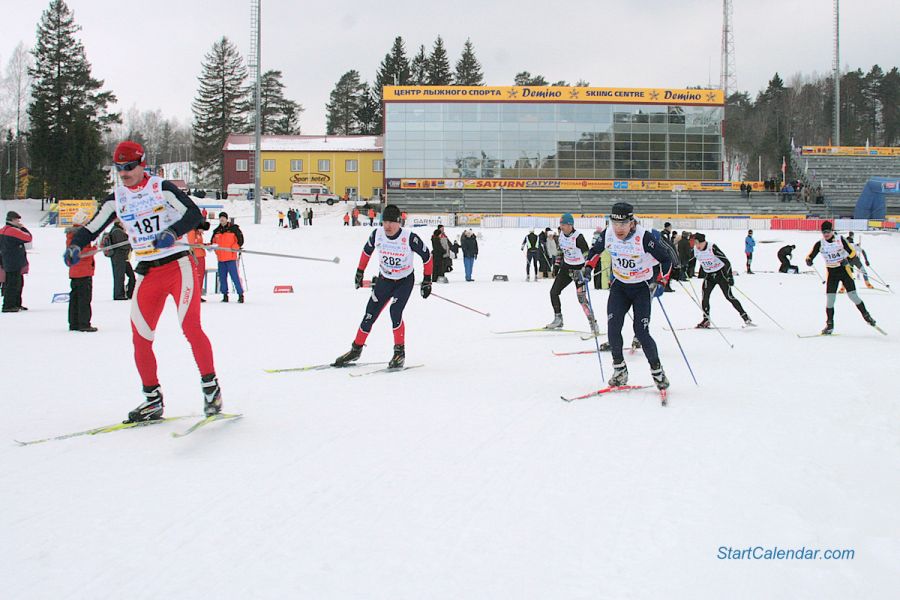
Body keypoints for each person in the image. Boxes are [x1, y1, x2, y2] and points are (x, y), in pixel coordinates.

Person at [65, 140, 222, 421]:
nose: (124, 173)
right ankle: (152, 399)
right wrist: (76, 245)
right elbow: (92, 226)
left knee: (190, 327)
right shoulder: (117, 198)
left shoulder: (160, 188)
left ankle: (211, 390)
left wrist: (172, 232)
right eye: (119, 168)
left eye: (129, 167)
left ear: (142, 164)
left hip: (178, 266)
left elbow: (193, 214)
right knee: (141, 337)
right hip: (147, 272)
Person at [583, 202, 672, 390]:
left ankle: (657, 371)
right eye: (615, 224)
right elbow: (594, 252)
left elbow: (666, 259)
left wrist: (661, 280)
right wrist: (588, 268)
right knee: (613, 328)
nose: (618, 229)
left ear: (631, 222)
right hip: (619, 287)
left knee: (641, 331)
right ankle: (620, 370)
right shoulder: (608, 234)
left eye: (622, 224)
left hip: (641, 288)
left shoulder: (644, 237)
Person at [332, 204, 432, 369]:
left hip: (404, 281)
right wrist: (359, 272)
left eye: (391, 222)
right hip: (384, 280)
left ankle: (399, 352)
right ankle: (356, 349)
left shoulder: (409, 237)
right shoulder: (377, 234)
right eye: (385, 221)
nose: (387, 226)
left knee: (395, 312)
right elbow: (366, 252)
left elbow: (427, 257)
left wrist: (427, 280)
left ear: (399, 222)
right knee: (369, 314)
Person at [805, 221, 878, 335]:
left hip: (844, 271)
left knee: (853, 296)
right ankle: (829, 325)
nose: (826, 234)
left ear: (832, 231)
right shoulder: (820, 244)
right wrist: (809, 260)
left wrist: (847, 260)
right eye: (823, 232)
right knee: (830, 300)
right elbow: (810, 255)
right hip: (832, 273)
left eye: (828, 231)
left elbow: (852, 253)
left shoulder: (840, 240)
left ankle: (867, 316)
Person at [545, 213, 599, 336]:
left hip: (578, 270)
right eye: (560, 224)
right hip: (566, 268)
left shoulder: (578, 237)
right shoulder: (561, 236)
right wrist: (557, 266)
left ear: (570, 225)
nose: (561, 227)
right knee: (554, 292)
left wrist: (586, 269)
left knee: (582, 299)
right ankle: (558, 319)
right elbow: (560, 251)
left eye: (564, 225)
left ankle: (593, 324)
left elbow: (587, 254)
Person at [692, 233, 753, 328]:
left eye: (698, 243)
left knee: (729, 296)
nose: (697, 246)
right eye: (695, 243)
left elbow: (726, 262)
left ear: (704, 242)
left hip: (721, 275)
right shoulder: (696, 249)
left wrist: (729, 277)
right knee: (705, 297)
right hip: (709, 276)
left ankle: (745, 316)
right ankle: (706, 319)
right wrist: (681, 266)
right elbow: (688, 259)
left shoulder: (712, 247)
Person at [65, 211, 98, 332]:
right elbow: (81, 253)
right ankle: (84, 323)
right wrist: (95, 248)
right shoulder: (80, 235)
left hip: (75, 271)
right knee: (84, 299)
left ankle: (74, 323)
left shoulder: (71, 235)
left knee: (75, 298)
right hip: (83, 271)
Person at [0, 210, 32, 313]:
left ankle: (15, 304)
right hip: (15, 261)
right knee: (14, 284)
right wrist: (22, 228)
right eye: (18, 220)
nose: (19, 222)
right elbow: (28, 237)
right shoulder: (13, 231)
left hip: (6, 260)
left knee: (12, 283)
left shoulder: (2, 230)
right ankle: (9, 305)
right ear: (13, 220)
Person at [211, 212, 244, 303]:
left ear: (226, 219)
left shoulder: (234, 229)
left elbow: (240, 240)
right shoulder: (216, 231)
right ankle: (225, 295)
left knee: (235, 277)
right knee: (222, 278)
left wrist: (235, 248)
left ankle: (240, 294)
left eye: (223, 218)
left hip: (231, 258)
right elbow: (213, 243)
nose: (222, 219)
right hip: (221, 259)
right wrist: (215, 250)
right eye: (220, 218)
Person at [104, 220, 136, 300]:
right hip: (119, 257)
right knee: (119, 276)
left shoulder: (117, 230)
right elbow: (124, 244)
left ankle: (129, 293)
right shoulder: (117, 231)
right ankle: (119, 295)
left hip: (122, 257)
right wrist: (132, 243)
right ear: (120, 223)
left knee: (130, 275)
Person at [187, 219, 210, 301]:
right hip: (195, 257)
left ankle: (198, 294)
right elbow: (191, 244)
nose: (203, 231)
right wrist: (201, 245)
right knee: (196, 276)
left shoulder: (199, 233)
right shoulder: (192, 232)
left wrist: (205, 245)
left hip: (201, 256)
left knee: (200, 276)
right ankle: (194, 295)